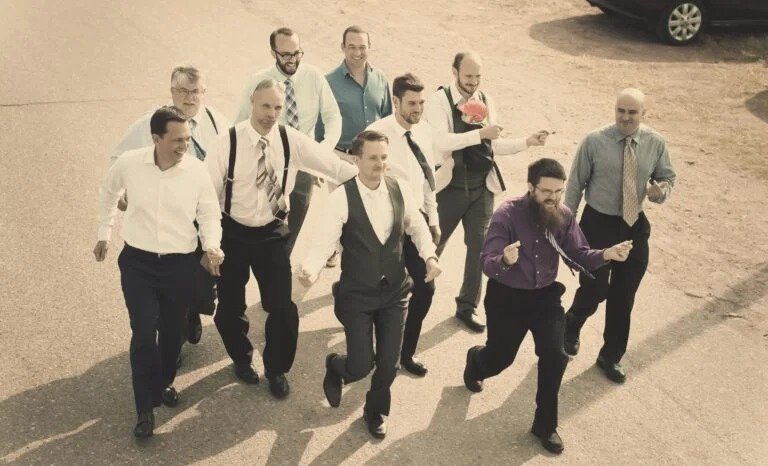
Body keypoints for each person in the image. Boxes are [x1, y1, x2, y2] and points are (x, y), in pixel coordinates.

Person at [463, 158, 632, 454]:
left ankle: (545, 425)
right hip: (507, 297)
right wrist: (505, 259)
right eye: (546, 191)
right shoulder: (507, 215)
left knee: (556, 356)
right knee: (500, 359)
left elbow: (579, 253)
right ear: (531, 188)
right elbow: (486, 261)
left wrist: (607, 254)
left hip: (545, 298)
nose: (553, 197)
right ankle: (477, 361)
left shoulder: (563, 215)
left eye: (558, 191)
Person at [207, 78, 356, 399]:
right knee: (229, 310)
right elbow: (206, 196)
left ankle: (276, 369)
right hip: (232, 232)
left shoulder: (291, 140)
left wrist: (371, 179)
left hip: (271, 233)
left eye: (277, 108)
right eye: (265, 106)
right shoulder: (227, 142)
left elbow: (332, 166)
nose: (271, 114)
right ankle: (242, 358)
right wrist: (209, 243)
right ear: (252, 102)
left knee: (283, 309)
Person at [295, 130, 442, 439]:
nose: (380, 164)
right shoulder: (341, 198)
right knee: (361, 366)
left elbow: (417, 227)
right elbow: (324, 241)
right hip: (358, 295)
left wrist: (430, 257)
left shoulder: (400, 188)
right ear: (356, 159)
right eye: (373, 158)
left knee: (389, 365)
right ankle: (336, 366)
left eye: (384, 157)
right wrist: (310, 269)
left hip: (395, 292)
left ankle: (375, 411)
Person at [93, 106, 224, 438]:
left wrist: (212, 245)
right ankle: (144, 410)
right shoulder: (130, 163)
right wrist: (104, 233)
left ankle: (164, 381)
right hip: (138, 263)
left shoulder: (196, 171)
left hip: (180, 265)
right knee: (142, 332)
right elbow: (109, 192)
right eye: (177, 140)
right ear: (156, 138)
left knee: (171, 333)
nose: (185, 146)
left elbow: (209, 213)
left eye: (188, 139)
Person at [424, 51, 549, 332]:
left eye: (478, 76)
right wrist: (480, 133)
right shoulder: (439, 101)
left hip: (482, 188)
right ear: (454, 72)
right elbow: (440, 142)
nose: (473, 82)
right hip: (449, 188)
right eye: (468, 76)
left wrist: (526, 142)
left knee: (480, 249)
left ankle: (468, 306)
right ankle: (410, 292)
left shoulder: (486, 101)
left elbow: (492, 146)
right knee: (432, 243)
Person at [109, 65, 231, 347]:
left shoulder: (217, 122)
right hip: (171, 217)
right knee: (178, 278)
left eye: (196, 91)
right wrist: (124, 193)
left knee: (204, 278)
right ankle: (175, 334)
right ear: (172, 91)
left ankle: (191, 310)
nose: (190, 98)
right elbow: (118, 158)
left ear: (204, 92)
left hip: (208, 212)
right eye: (183, 91)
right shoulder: (152, 124)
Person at [562, 88, 676, 384]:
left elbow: (667, 177)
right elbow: (575, 185)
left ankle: (610, 356)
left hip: (633, 225)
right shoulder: (594, 141)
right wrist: (565, 227)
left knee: (623, 296)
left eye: (632, 112)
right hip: (597, 224)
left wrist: (660, 192)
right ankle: (571, 322)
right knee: (595, 289)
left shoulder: (655, 143)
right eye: (620, 111)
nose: (625, 117)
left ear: (644, 113)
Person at [234, 27, 342, 254]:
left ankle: (281, 262)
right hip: (270, 164)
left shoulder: (314, 76)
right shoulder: (258, 81)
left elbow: (333, 116)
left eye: (296, 53)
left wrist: (321, 152)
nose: (292, 60)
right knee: (272, 218)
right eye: (285, 55)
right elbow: (241, 123)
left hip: (303, 165)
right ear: (273, 53)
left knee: (296, 220)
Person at [366, 73, 439, 376]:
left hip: (415, 221)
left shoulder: (424, 131)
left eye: (421, 103)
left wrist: (433, 218)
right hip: (384, 226)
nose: (417, 109)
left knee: (426, 288)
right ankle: (380, 353)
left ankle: (405, 352)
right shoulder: (376, 133)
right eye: (411, 103)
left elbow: (427, 177)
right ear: (395, 101)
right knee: (383, 292)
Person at [321, 25, 393, 266]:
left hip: (373, 159)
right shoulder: (329, 82)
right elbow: (321, 125)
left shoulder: (380, 79)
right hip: (342, 158)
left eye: (362, 47)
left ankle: (350, 254)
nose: (357, 52)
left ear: (369, 48)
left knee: (373, 211)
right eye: (351, 47)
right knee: (348, 213)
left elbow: (387, 118)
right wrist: (319, 161)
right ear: (342, 47)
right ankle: (348, 266)